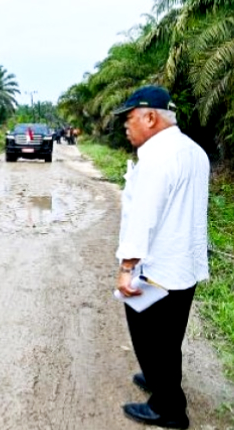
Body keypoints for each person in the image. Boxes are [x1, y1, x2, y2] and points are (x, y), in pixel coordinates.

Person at [112, 86, 209, 429]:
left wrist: (126, 269)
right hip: (185, 266)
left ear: (150, 117)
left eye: (129, 118)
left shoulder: (156, 157)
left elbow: (143, 219)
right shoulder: (193, 151)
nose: (126, 125)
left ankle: (168, 409)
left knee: (151, 339)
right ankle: (157, 379)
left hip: (156, 269)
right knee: (168, 338)